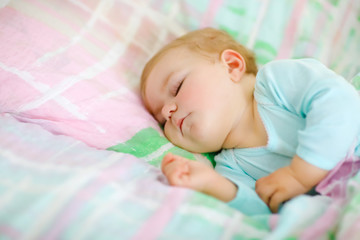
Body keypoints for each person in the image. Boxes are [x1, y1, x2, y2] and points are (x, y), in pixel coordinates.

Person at [140, 28, 360, 215]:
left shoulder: (277, 83)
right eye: (162, 121)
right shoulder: (231, 168)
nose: (168, 111)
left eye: (177, 87)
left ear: (232, 66)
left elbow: (340, 101)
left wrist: (301, 174)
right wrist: (211, 184)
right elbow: (261, 208)